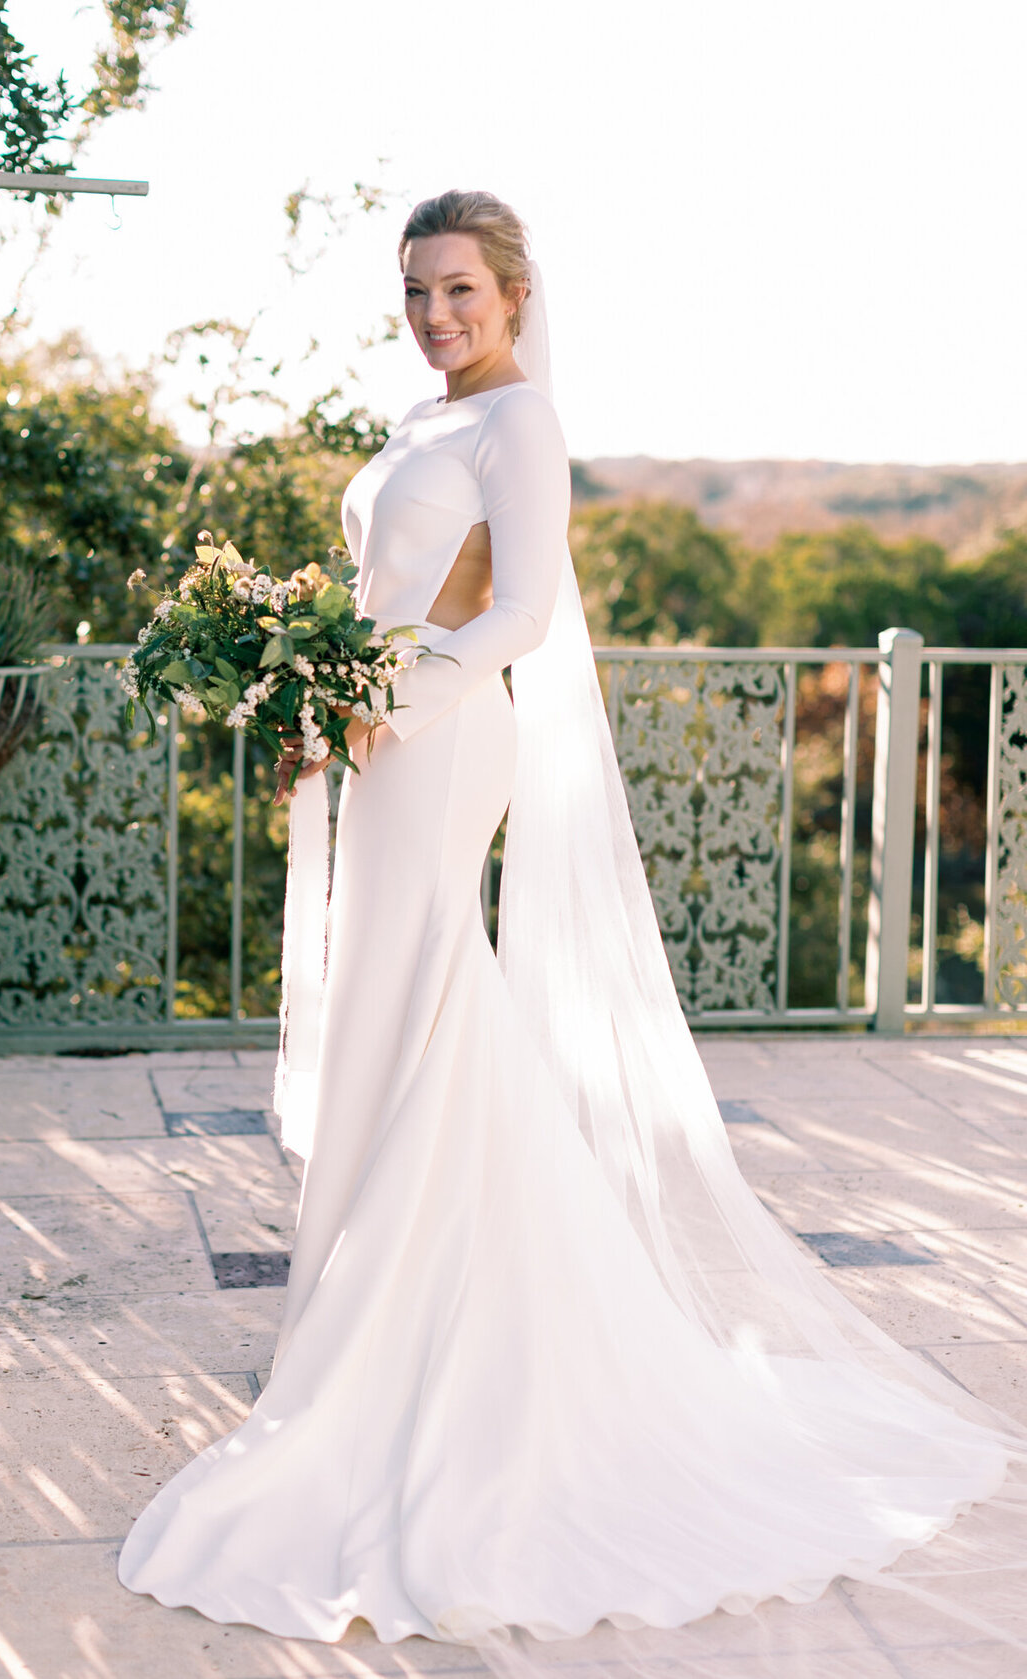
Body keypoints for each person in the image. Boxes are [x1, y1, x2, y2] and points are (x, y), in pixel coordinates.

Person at [118, 190, 1027, 1674]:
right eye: (416, 289)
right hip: (376, 742)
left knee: (416, 1005)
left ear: (518, 293)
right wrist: (310, 691)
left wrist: (380, 701)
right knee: (396, 1015)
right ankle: (391, 1321)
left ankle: (410, 1355)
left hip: (440, 737)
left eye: (461, 288)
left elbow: (523, 612)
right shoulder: (423, 420)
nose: (435, 313)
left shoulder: (516, 426)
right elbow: (385, 595)